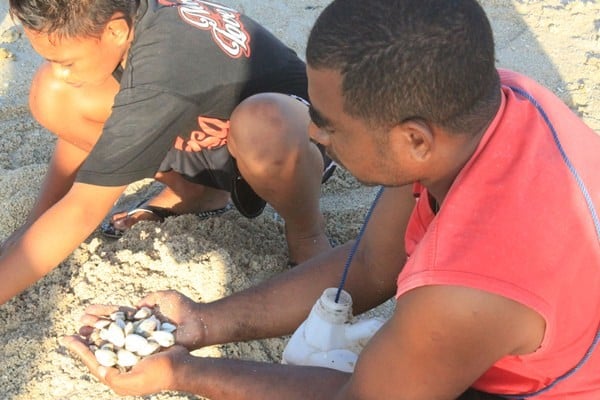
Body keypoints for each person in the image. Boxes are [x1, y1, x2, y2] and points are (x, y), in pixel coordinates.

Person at [62, 0, 600, 398]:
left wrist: (184, 373)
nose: (314, 134)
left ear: (414, 140)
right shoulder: (490, 102)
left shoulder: (466, 289)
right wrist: (204, 322)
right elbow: (368, 264)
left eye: (329, 125)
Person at [0, 0, 337, 304]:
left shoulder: (161, 66)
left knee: (262, 124)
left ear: (115, 30)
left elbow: (83, 210)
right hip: (211, 127)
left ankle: (307, 234)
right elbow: (76, 143)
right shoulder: (129, 19)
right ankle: (195, 191)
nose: (61, 69)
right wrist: (32, 228)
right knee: (55, 92)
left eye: (67, 61)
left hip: (298, 136)